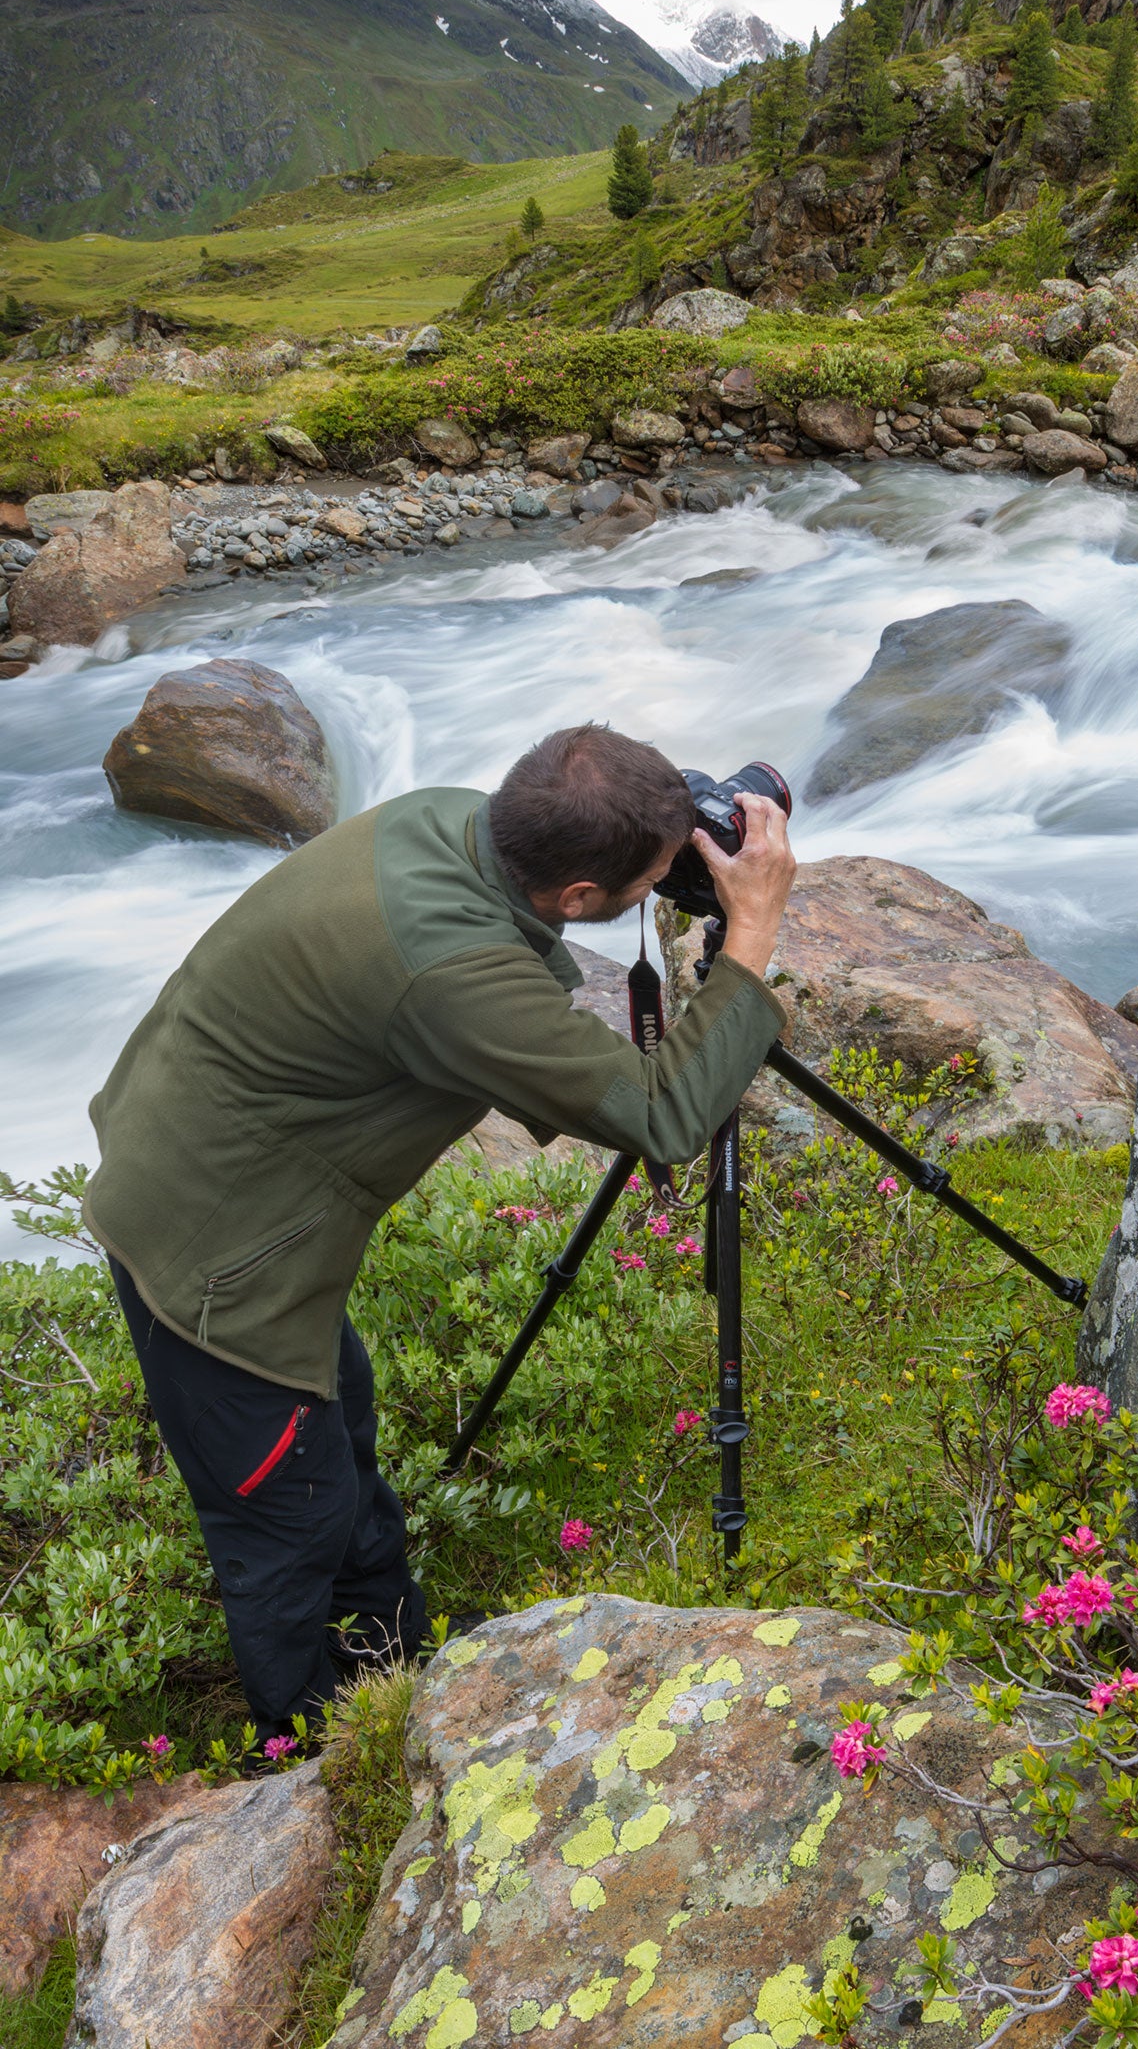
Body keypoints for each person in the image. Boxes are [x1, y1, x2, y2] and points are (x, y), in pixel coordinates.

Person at [84, 724, 796, 1746]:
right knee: (287, 1518)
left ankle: (399, 1678)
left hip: (193, 1150)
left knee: (340, 1444)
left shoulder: (454, 822)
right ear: (578, 900)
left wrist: (658, 835)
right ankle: (312, 1760)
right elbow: (663, 1116)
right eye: (649, 880)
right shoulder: (450, 972)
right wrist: (754, 936)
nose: (661, 889)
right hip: (212, 1255)